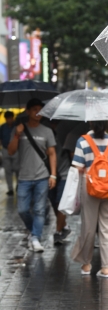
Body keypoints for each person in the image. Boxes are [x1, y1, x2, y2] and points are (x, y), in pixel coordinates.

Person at [71, 120, 108, 277]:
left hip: (89, 188)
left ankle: (86, 265)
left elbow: (78, 167)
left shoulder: (83, 141)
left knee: (88, 226)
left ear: (90, 124)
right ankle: (106, 268)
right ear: (107, 124)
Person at [7, 98, 57, 252]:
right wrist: (17, 134)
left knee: (40, 210)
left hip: (42, 176)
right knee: (22, 210)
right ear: (27, 111)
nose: (37, 112)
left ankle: (35, 237)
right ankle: (33, 231)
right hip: (24, 178)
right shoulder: (18, 129)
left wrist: (53, 175)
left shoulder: (47, 131)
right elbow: (11, 151)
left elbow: (52, 153)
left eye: (40, 109)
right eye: (34, 109)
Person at [48, 121, 72, 245]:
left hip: (65, 175)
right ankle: (65, 226)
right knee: (53, 202)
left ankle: (58, 232)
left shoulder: (66, 137)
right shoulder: (47, 136)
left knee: (60, 203)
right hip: (51, 176)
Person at [0, 110, 19, 195]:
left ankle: (19, 185)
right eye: (8, 118)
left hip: (16, 150)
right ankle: (10, 189)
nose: (9, 120)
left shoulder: (17, 126)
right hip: (5, 149)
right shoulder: (3, 127)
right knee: (8, 170)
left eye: (10, 118)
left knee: (17, 169)